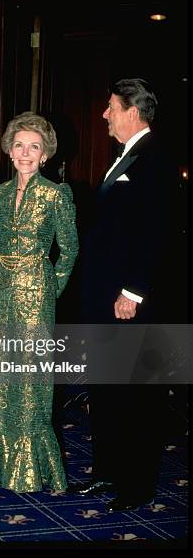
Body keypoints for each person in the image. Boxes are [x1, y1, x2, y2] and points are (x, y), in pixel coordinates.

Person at [72, 78, 176, 511]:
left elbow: (156, 232)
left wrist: (133, 291)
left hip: (129, 301)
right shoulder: (124, 156)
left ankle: (136, 485)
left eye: (110, 106)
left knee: (135, 393)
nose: (104, 114)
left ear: (132, 110)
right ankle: (107, 472)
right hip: (104, 297)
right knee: (108, 390)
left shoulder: (156, 157)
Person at [0, 111, 79, 492]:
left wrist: (51, 289)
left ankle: (34, 467)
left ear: (45, 154)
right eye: (19, 145)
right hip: (0, 285)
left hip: (37, 288)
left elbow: (69, 250)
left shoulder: (56, 193)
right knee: (0, 373)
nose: (25, 153)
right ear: (9, 150)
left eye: (34, 147)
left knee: (32, 374)